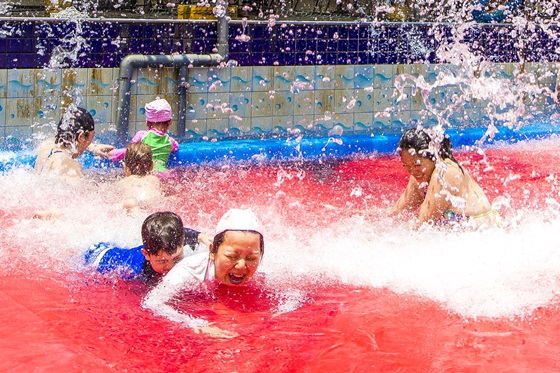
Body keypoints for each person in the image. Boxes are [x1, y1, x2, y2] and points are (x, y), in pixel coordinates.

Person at [142, 208, 264, 338]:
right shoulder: (188, 270)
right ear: (212, 252)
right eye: (232, 256)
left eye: (251, 258)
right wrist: (195, 323)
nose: (241, 266)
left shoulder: (264, 267)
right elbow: (152, 302)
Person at [388, 127, 501, 229]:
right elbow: (396, 212)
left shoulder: (446, 173)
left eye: (417, 165)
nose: (412, 171)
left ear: (435, 156)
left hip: (484, 233)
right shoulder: (419, 176)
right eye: (406, 165)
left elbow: (421, 224)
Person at [83, 211, 212, 285]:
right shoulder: (137, 271)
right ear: (146, 254)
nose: (171, 266)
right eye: (162, 261)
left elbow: (182, 232)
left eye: (176, 258)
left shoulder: (172, 243)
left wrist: (200, 237)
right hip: (98, 255)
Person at [34, 105, 114, 184]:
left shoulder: (46, 147)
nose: (89, 142)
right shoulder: (71, 167)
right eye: (91, 137)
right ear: (81, 137)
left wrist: (93, 147)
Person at [109, 98, 179, 172]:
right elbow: (176, 148)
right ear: (169, 123)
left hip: (145, 173)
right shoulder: (170, 141)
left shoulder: (141, 135)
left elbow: (130, 152)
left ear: (147, 123)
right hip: (165, 173)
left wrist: (112, 154)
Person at [114, 143, 163, 211]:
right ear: (152, 166)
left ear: (125, 167)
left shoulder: (121, 183)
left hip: (131, 210)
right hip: (151, 208)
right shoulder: (155, 180)